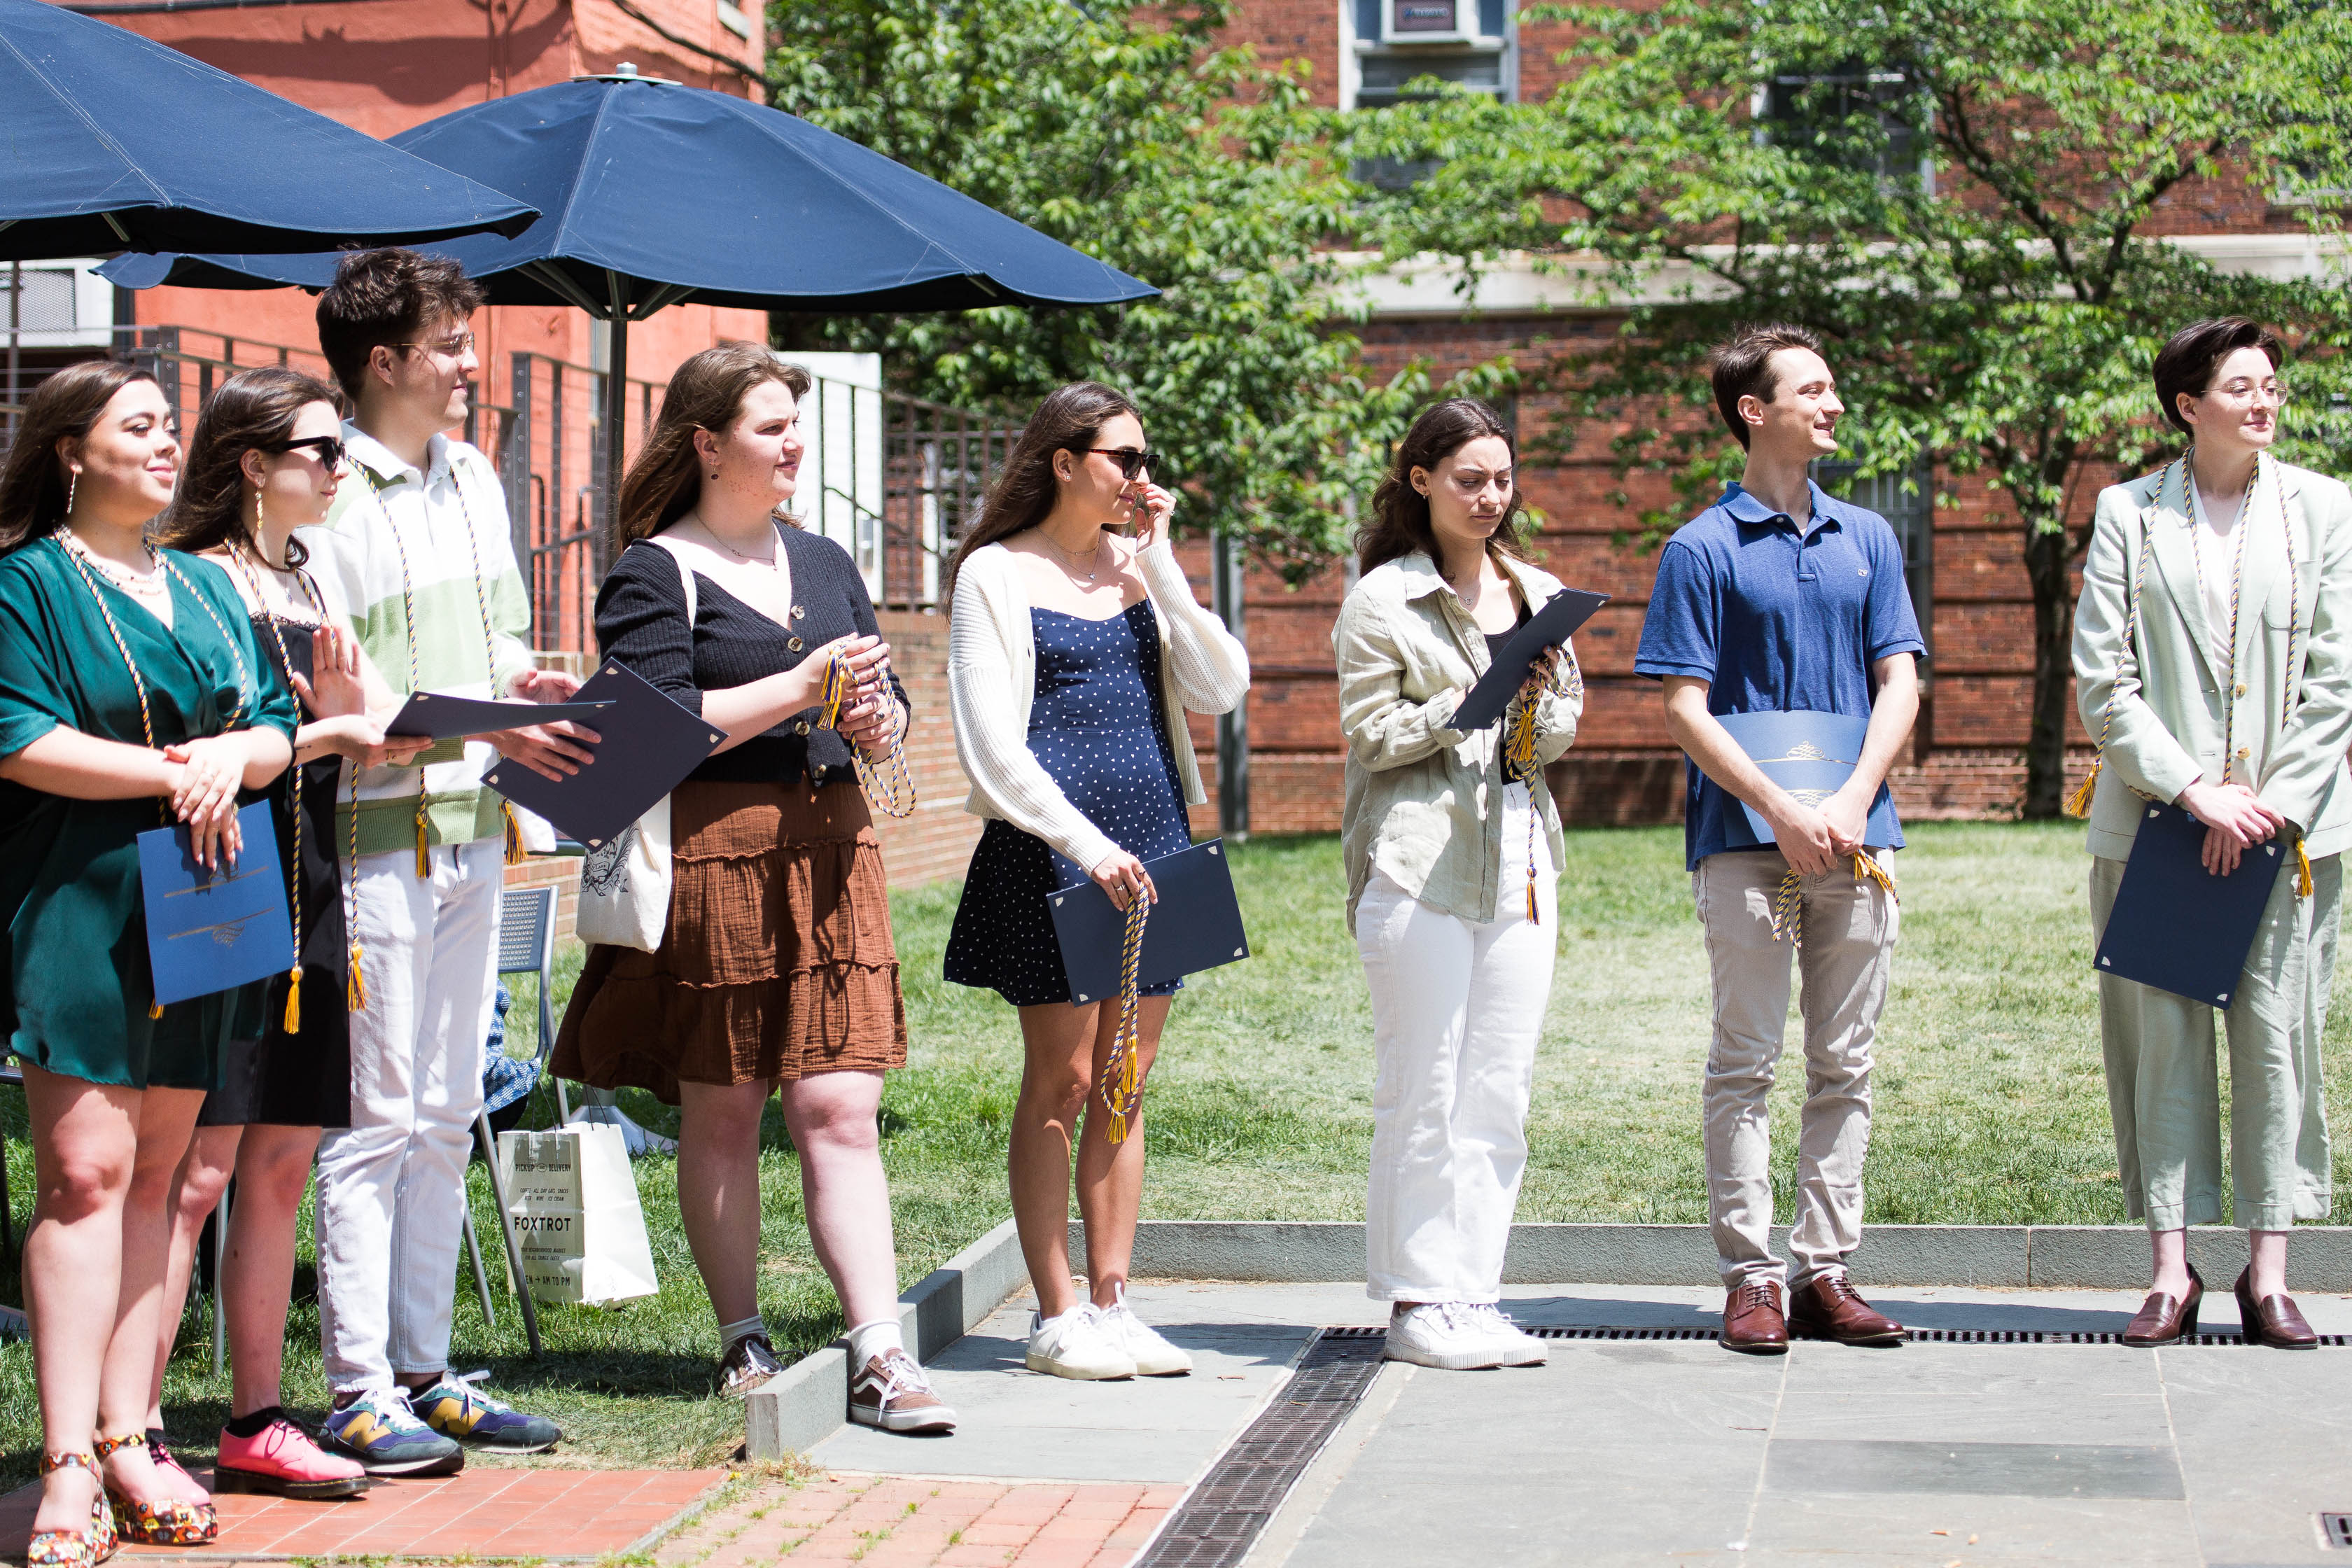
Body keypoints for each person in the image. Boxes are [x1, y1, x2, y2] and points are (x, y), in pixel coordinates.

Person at [551, 342, 954, 1433]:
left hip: (833, 849)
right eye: (772, 426)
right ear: (708, 442)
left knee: (841, 1106)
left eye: (795, 425)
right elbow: (651, 732)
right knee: (722, 1109)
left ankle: (878, 1350)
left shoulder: (825, 560)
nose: (794, 445)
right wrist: (800, 686)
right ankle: (744, 1340)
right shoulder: (654, 571)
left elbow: (885, 699)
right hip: (715, 853)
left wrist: (881, 719)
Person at [0, 360, 298, 1560]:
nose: (168, 443)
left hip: (209, 899)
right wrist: (191, 769)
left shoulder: (203, 582)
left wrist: (244, 756)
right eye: (139, 426)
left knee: (169, 1179)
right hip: (80, 900)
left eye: (171, 425)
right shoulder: (25, 583)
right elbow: (20, 738)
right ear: (71, 451)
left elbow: (276, 719)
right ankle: (66, 1462)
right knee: (84, 1173)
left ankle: (132, 1431)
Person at [297, 248, 588, 1474]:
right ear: (385, 362)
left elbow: (499, 637)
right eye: (452, 346)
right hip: (371, 832)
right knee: (372, 1117)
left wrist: (528, 682)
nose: (472, 365)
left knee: (450, 1104)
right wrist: (488, 709)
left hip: (478, 820)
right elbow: (346, 693)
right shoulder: (327, 494)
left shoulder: (473, 474)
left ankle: (425, 1369)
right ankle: (357, 1384)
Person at [145, 367, 430, 1501]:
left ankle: (254, 1418)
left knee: (279, 1161)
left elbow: (321, 732)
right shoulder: (195, 580)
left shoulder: (306, 577)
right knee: (198, 1170)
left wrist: (366, 730)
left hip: (312, 884)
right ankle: (140, 1422)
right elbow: (208, 752)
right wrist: (335, 734)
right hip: (219, 885)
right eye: (322, 451)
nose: (341, 469)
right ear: (253, 463)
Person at [942, 382, 1250, 1381]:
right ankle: (1056, 1312)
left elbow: (1222, 688)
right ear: (1066, 462)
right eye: (1125, 458)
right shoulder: (994, 573)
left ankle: (1115, 1302)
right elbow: (993, 745)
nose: (1141, 477)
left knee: (1125, 1078)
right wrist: (1082, 842)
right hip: (1053, 855)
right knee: (1065, 1080)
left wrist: (1161, 563)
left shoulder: (1137, 567)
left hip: (1155, 843)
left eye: (1146, 458)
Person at [1632, 323, 1923, 1355]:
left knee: (1847, 1062)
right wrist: (1781, 809)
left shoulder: (1869, 540)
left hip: (1856, 839)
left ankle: (1827, 1272)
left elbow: (1902, 678)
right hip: (1746, 844)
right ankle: (1753, 1276)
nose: (1833, 403)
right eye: (1814, 388)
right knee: (1746, 1062)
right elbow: (1684, 705)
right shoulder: (1701, 549)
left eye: (1833, 386)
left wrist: (1847, 800)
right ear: (1754, 411)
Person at [2071, 317, 2352, 1349]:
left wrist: (2264, 807)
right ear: (2189, 406)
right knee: (2161, 1048)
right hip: (2155, 830)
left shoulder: (2326, 510)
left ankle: (2270, 1272)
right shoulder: (2129, 514)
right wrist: (2197, 792)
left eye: (2272, 385)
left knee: (2278, 1046)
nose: (2265, 401)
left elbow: (2338, 681)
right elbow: (2104, 680)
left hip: (2292, 842)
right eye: (2242, 387)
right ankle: (2168, 1271)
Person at [1333, 398, 1582, 1371]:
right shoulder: (1383, 600)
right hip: (1416, 862)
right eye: (1469, 478)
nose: (1490, 497)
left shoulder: (1535, 589)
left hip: (1520, 854)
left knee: (1498, 1089)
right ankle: (1417, 1300)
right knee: (1424, 1086)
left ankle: (1474, 1291)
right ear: (1422, 481)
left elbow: (1555, 733)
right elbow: (1375, 738)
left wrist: (1534, 699)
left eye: (1503, 479)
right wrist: (1468, 702)